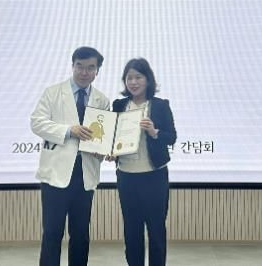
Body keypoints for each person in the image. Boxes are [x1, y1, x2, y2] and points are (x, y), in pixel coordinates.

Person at [31, 47, 110, 266]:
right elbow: (37, 123)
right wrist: (68, 130)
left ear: (97, 70)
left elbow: (102, 137)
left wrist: (104, 149)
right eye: (80, 66)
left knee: (81, 234)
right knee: (52, 233)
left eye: (90, 68)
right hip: (56, 175)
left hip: (84, 176)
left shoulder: (102, 100)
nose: (84, 72)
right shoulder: (53, 92)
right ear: (72, 66)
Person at [111, 58, 177, 266]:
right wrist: (110, 150)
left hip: (154, 176)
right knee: (132, 231)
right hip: (126, 176)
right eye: (129, 78)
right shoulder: (119, 105)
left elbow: (171, 137)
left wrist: (154, 132)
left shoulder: (160, 105)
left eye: (138, 77)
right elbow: (111, 136)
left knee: (156, 230)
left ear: (148, 79)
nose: (133, 82)